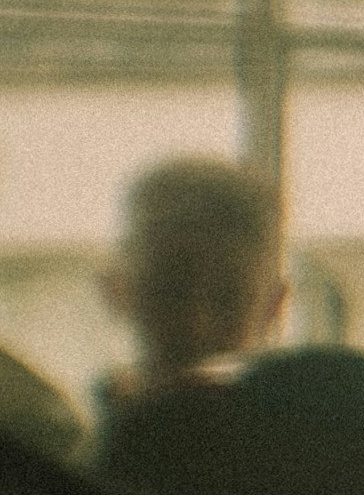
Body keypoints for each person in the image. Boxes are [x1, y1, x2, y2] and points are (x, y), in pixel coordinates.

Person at [95, 161, 292, 426]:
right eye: (169, 290)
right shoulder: (69, 443)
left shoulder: (293, 446)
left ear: (272, 304)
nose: (196, 324)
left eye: (229, 298)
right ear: (117, 290)